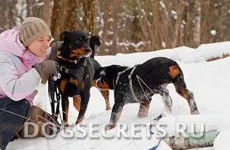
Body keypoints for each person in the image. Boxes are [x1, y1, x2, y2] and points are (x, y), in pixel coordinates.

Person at [0, 17, 59, 149]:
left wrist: (59, 48)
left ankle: (13, 132)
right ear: (27, 40)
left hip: (15, 110)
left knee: (52, 128)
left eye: (48, 40)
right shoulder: (4, 56)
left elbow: (49, 52)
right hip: (10, 106)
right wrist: (39, 70)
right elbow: (14, 91)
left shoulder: (31, 51)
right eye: (40, 40)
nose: (46, 45)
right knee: (19, 105)